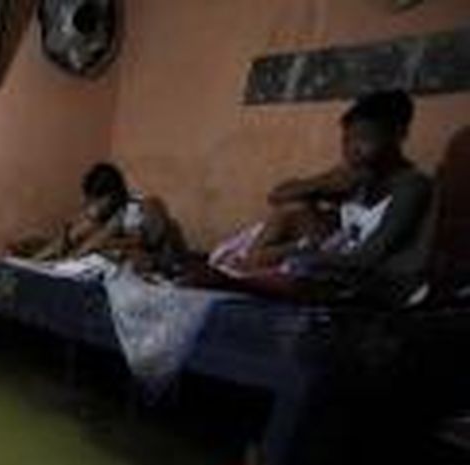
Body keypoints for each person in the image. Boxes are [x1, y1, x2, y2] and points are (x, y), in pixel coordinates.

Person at [204, 90, 433, 305]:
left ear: (399, 135)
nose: (353, 149)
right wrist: (323, 184)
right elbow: (277, 196)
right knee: (292, 210)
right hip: (336, 259)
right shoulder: (356, 175)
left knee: (285, 277)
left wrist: (302, 257)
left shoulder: (412, 187)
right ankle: (244, 275)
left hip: (376, 278)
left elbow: (370, 257)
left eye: (364, 138)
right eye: (347, 140)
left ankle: (242, 279)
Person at [30, 162, 189, 274]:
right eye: (91, 200)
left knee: (116, 254)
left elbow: (144, 241)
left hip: (166, 261)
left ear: (112, 195)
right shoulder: (112, 213)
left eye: (97, 200)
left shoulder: (144, 205)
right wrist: (35, 262)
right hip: (139, 254)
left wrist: (96, 247)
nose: (93, 205)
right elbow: (83, 236)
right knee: (88, 240)